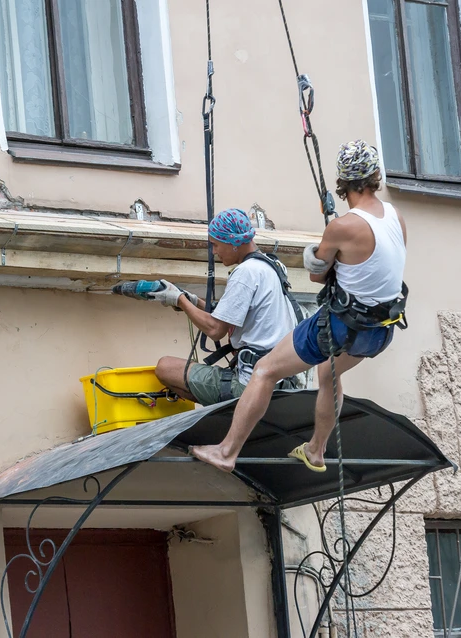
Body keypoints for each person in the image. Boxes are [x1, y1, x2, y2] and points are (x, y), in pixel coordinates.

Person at [190, 140, 408, 472]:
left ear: (342, 182)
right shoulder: (396, 218)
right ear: (375, 175)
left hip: (341, 326)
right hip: (380, 332)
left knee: (264, 370)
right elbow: (373, 268)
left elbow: (318, 276)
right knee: (328, 373)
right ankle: (316, 450)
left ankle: (226, 453)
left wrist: (319, 253)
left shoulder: (343, 226)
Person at [146, 208, 303, 406]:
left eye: (215, 244)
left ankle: (229, 412)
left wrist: (180, 301)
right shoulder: (272, 266)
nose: (214, 252)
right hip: (281, 382)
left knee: (165, 367)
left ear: (233, 243)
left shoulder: (245, 272)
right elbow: (231, 315)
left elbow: (215, 330)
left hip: (251, 385)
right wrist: (194, 302)